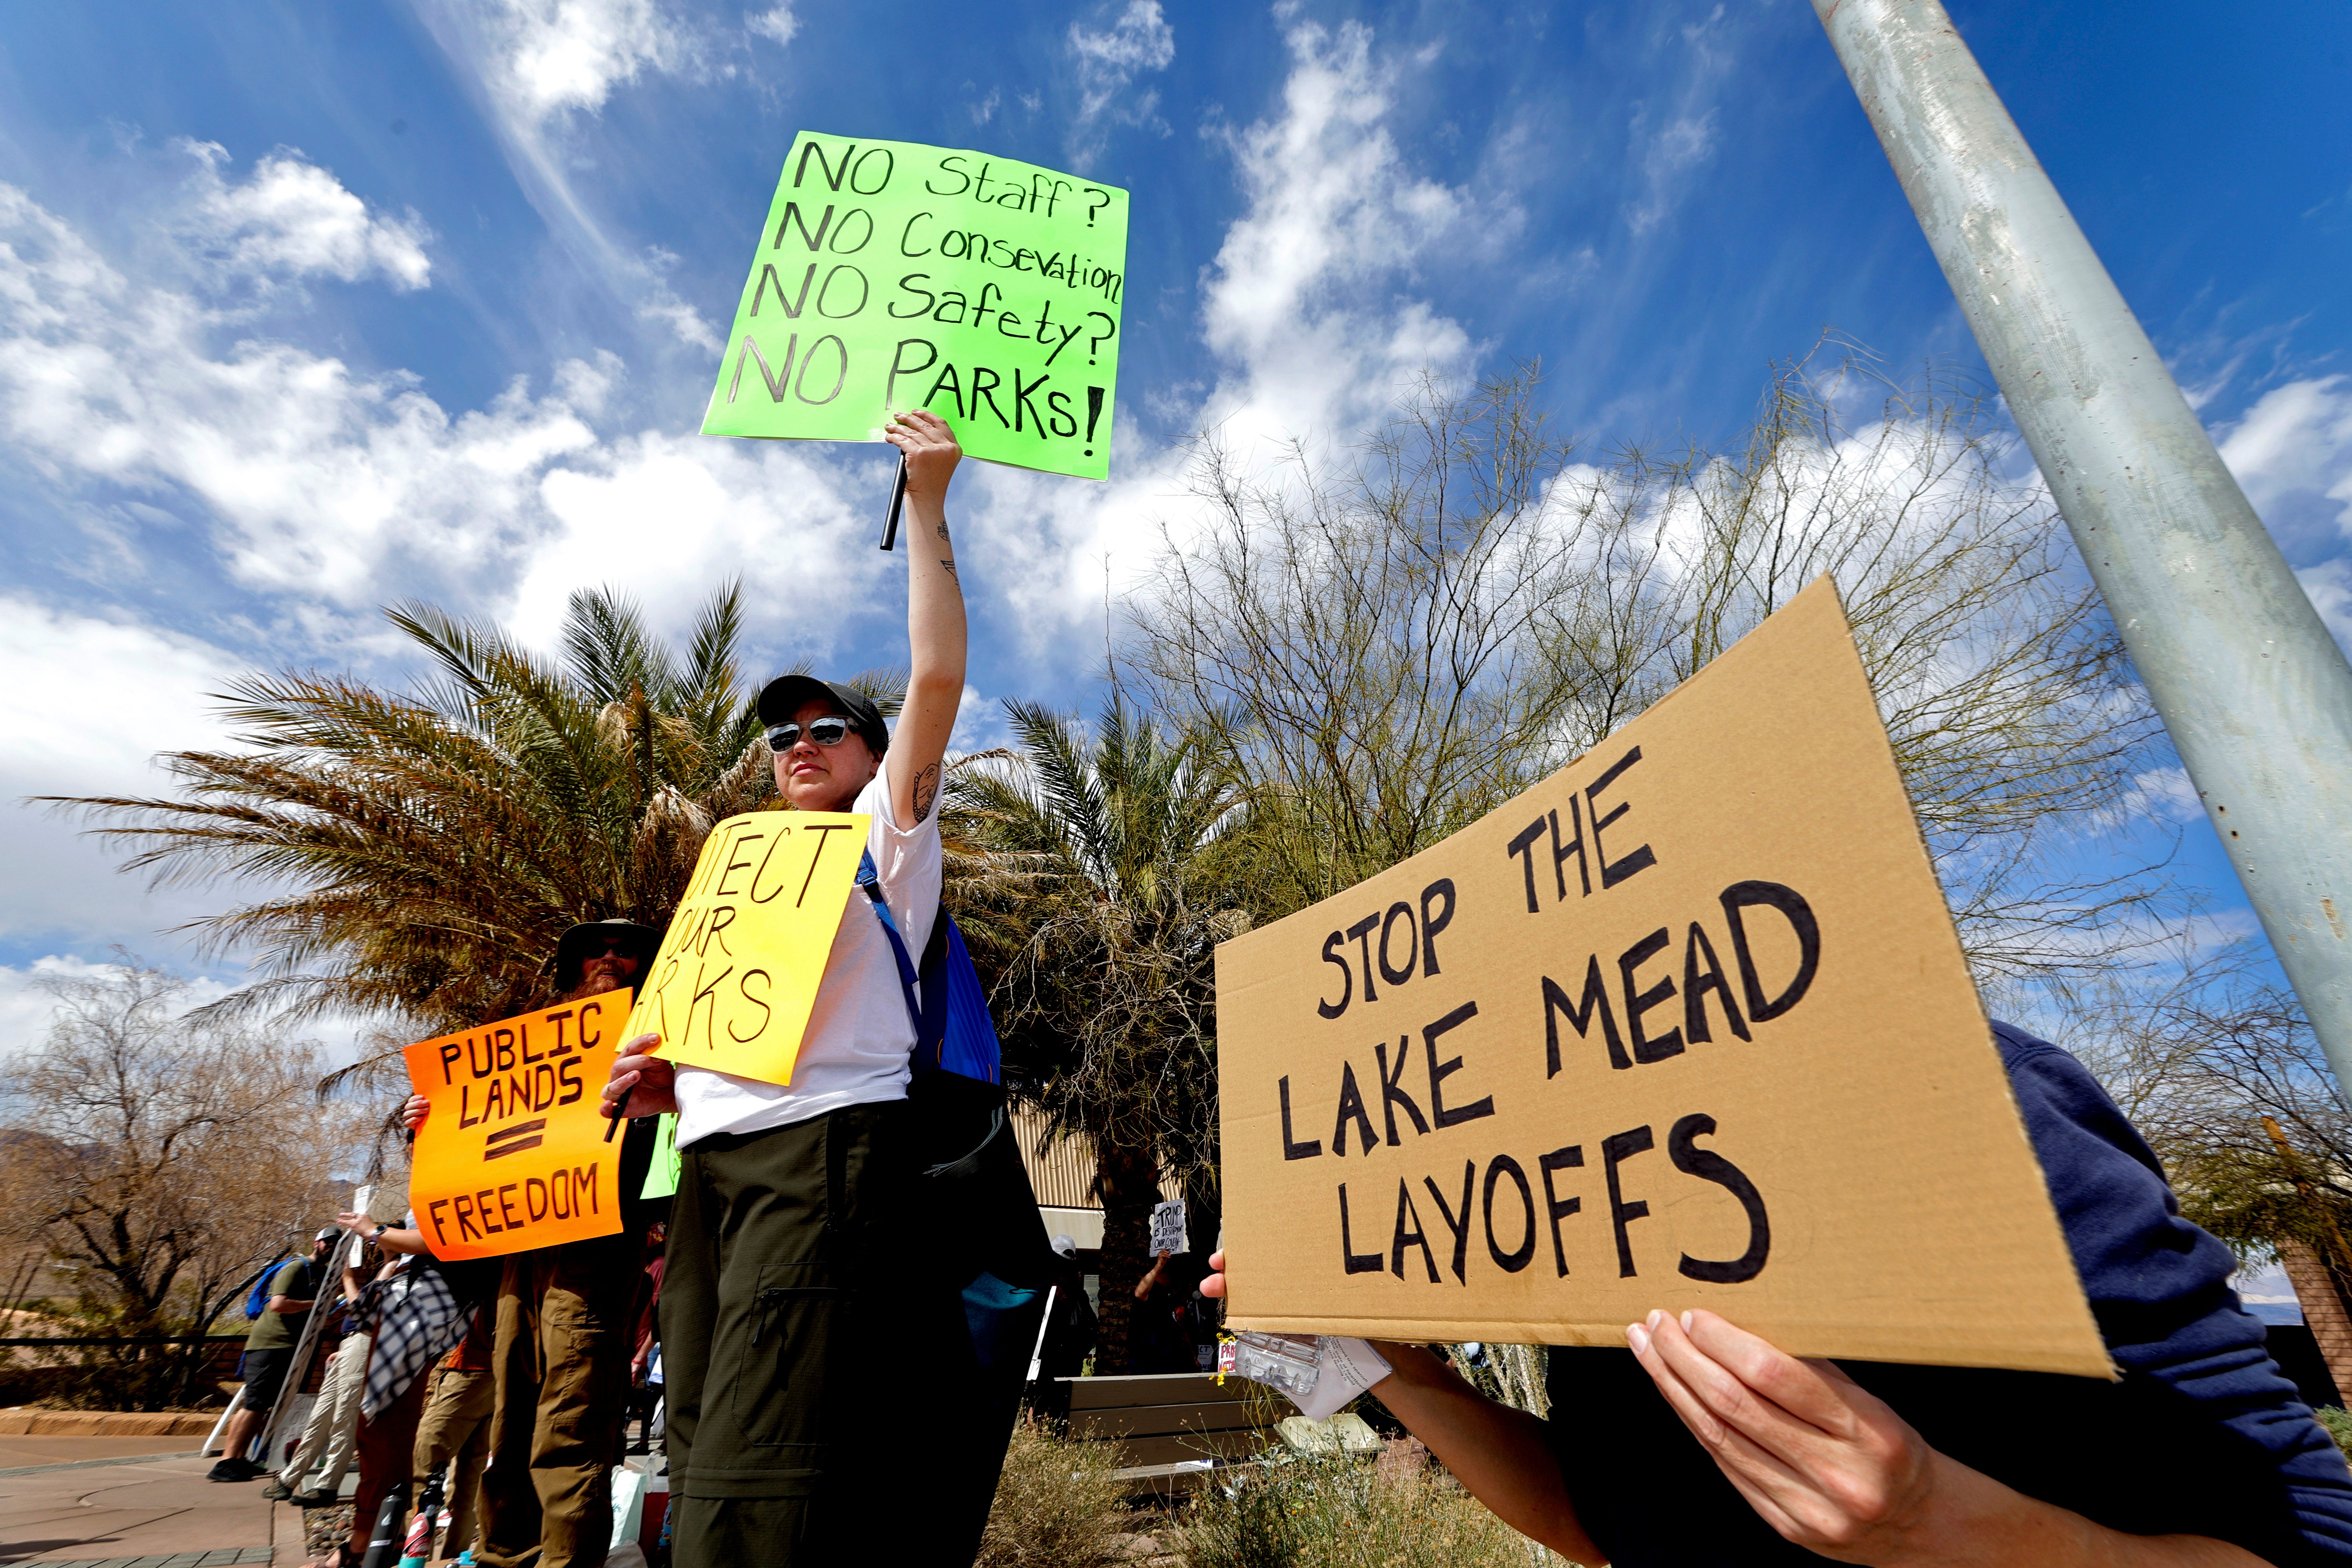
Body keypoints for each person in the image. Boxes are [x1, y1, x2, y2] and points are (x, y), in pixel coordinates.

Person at [1203, 1020, 2352, 1566]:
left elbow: (2309, 1535)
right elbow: (1596, 1523)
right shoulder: (1578, 1217)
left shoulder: (1976, 1106)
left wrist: (1944, 1526)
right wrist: (1386, 1362)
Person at [601, 408, 973, 1566]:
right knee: (704, 1440)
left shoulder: (883, 838)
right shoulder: (739, 862)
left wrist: (926, 501)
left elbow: (935, 672)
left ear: (871, 756)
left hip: (822, 1155)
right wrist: (665, 1084)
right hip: (711, 1166)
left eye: (825, 728)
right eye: (778, 735)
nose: (796, 743)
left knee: (765, 1483)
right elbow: (723, 1034)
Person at [402, 918, 668, 1568]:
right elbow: (483, 1146)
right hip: (519, 1250)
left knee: (571, 1413)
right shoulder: (534, 1044)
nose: (608, 957)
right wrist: (431, 1130)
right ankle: (504, 1558)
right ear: (570, 965)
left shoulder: (660, 1038)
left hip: (599, 1244)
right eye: (592, 950)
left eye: (624, 949)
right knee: (513, 1416)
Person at [267, 1239, 390, 1506]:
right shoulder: (385, 1268)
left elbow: (362, 1309)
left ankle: (328, 1484)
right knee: (321, 1413)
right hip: (352, 1342)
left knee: (345, 1415)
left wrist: (346, 1277)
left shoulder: (396, 1268)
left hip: (366, 1339)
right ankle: (291, 1476)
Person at [209, 1227, 336, 1482]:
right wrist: (317, 1304)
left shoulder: (321, 1275)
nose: (331, 1247)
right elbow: (278, 1304)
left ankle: (239, 1459)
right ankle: (225, 1462)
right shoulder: (296, 1267)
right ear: (317, 1243)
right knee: (254, 1404)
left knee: (262, 1405)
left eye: (336, 1244)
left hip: (290, 1348)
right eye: (328, 1242)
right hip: (270, 1345)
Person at [411, 1303, 497, 1564]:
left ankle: (412, 1558)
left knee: (422, 1473)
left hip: (469, 1367)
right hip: (492, 1369)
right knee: (469, 1484)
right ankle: (450, 1559)